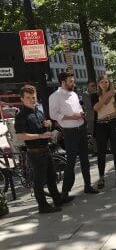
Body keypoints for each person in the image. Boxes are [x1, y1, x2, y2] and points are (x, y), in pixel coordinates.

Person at [14, 85, 74, 214]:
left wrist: (48, 124)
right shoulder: (21, 114)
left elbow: (44, 127)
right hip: (35, 152)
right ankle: (43, 206)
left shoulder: (38, 111)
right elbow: (20, 136)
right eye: (28, 98)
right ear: (22, 99)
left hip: (45, 149)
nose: (32, 100)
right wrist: (41, 135)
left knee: (52, 177)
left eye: (33, 97)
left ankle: (57, 200)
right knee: (39, 181)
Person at [49, 72, 99, 197]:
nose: (73, 83)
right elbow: (53, 115)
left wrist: (81, 114)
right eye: (71, 81)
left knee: (85, 159)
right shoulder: (55, 96)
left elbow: (78, 109)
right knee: (70, 162)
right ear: (63, 82)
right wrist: (72, 116)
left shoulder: (74, 94)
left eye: (73, 81)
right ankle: (65, 192)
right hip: (70, 132)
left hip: (81, 128)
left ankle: (88, 186)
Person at [91, 75, 116, 188]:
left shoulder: (114, 95)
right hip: (101, 126)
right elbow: (95, 108)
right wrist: (106, 97)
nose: (105, 84)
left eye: (106, 82)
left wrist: (113, 115)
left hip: (113, 124)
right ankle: (101, 177)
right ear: (98, 84)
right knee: (101, 152)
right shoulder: (95, 96)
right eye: (102, 82)